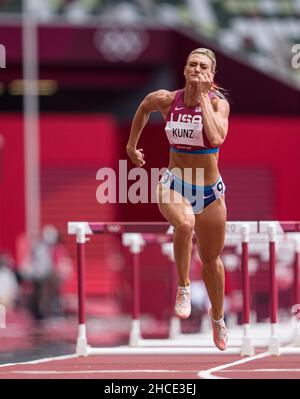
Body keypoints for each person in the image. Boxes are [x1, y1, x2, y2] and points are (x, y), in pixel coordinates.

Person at [126, 48, 230, 351]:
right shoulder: (167, 99)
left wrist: (202, 100)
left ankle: (218, 318)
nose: (197, 70)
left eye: (203, 67)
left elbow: (217, 137)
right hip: (175, 184)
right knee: (184, 225)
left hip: (210, 193)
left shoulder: (218, 104)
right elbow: (144, 106)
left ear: (211, 76)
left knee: (211, 262)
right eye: (192, 65)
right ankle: (184, 287)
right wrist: (132, 146)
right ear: (185, 70)